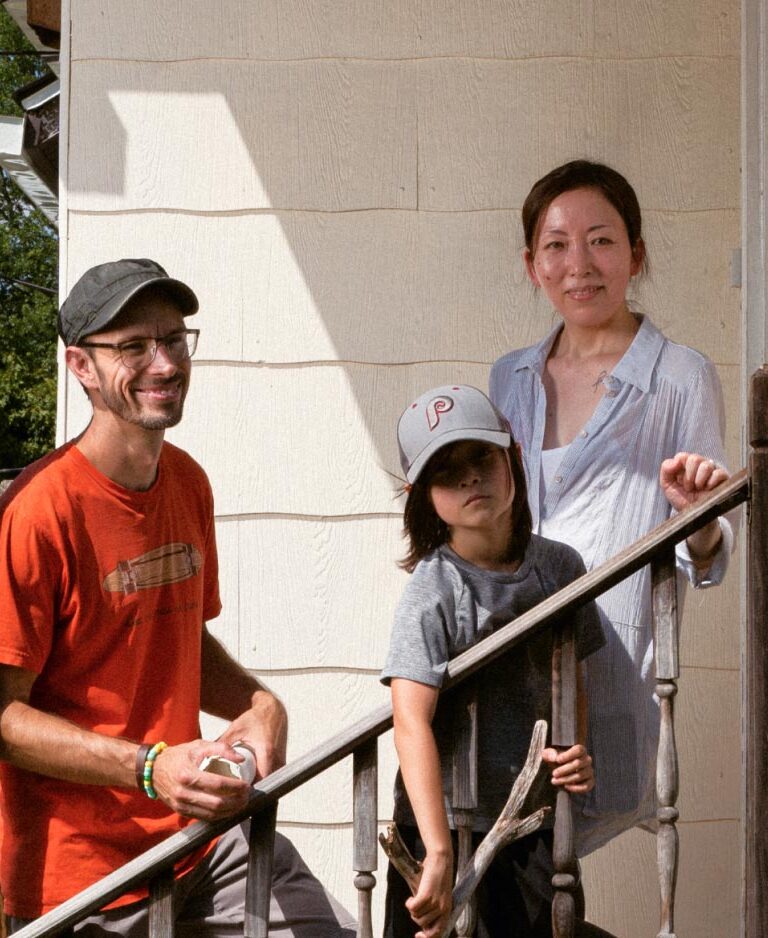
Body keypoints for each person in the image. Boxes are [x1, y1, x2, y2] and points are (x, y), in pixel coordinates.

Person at [0, 259, 356, 936]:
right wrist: (150, 767)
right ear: (81, 366)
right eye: (133, 347)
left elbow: (176, 633)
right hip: (83, 882)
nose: (164, 363)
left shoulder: (187, 483)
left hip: (201, 843)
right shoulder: (37, 512)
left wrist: (259, 702)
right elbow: (3, 716)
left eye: (174, 340)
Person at [489, 159, 735, 856]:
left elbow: (710, 556)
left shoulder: (679, 375)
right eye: (556, 245)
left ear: (636, 253)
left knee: (547, 857)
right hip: (515, 660)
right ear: (531, 264)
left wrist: (700, 517)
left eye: (601, 240)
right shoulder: (510, 376)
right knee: (499, 860)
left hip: (614, 663)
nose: (579, 264)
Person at [381, 384, 612, 938]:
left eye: (481, 457)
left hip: (529, 824)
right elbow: (409, 718)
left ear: (511, 457)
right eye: (446, 471)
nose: (469, 479)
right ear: (422, 496)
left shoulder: (559, 568)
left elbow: (571, 673)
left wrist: (572, 747)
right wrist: (436, 849)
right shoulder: (433, 590)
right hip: (441, 824)